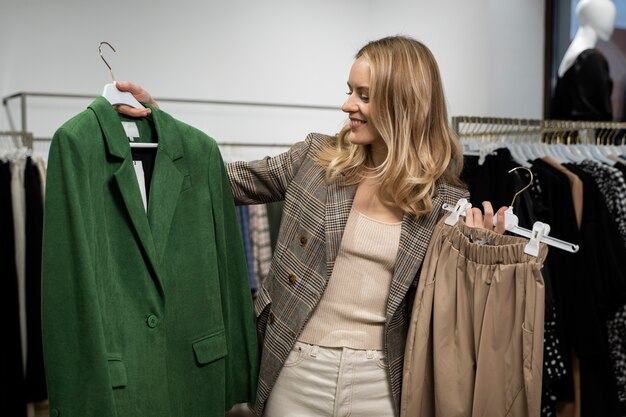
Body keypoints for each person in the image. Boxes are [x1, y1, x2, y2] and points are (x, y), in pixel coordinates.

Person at [116, 35, 506, 416]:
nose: (347, 104)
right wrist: (160, 124)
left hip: (382, 383)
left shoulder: (445, 203)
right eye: (350, 90)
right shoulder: (317, 160)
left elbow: (452, 319)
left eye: (364, 95)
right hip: (296, 367)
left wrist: (484, 257)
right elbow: (218, 179)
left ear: (403, 104)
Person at [551, 0, 616, 121]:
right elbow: (591, 120)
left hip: (567, 137)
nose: (612, 23)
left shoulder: (574, 54)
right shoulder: (589, 58)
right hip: (583, 139)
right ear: (594, 16)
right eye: (608, 14)